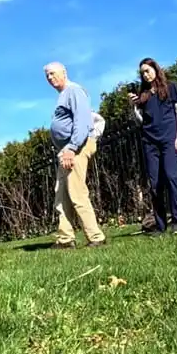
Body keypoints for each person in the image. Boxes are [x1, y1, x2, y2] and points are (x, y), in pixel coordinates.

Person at [44, 61, 107, 249]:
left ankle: (96, 237)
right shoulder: (64, 95)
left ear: (64, 72)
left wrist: (72, 148)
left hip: (77, 147)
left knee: (77, 192)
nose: (50, 77)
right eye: (47, 75)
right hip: (67, 150)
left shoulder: (74, 91)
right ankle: (65, 239)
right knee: (62, 194)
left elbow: (82, 120)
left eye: (53, 73)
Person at [128, 57, 177, 235]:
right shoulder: (144, 96)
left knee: (171, 177)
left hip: (169, 139)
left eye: (148, 70)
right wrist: (134, 108)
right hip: (149, 141)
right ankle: (160, 226)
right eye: (143, 73)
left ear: (155, 68)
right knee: (155, 184)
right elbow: (141, 121)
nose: (146, 75)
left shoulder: (170, 87)